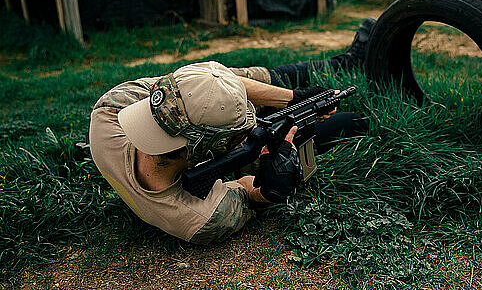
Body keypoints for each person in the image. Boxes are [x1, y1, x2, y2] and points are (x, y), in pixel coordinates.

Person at [88, 18, 375, 244]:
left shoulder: (111, 112)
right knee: (350, 122)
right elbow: (249, 191)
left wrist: (293, 98)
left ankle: (346, 61)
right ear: (213, 148)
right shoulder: (203, 217)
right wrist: (273, 186)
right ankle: (365, 118)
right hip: (222, 161)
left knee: (223, 84)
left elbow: (205, 84)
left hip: (200, 140)